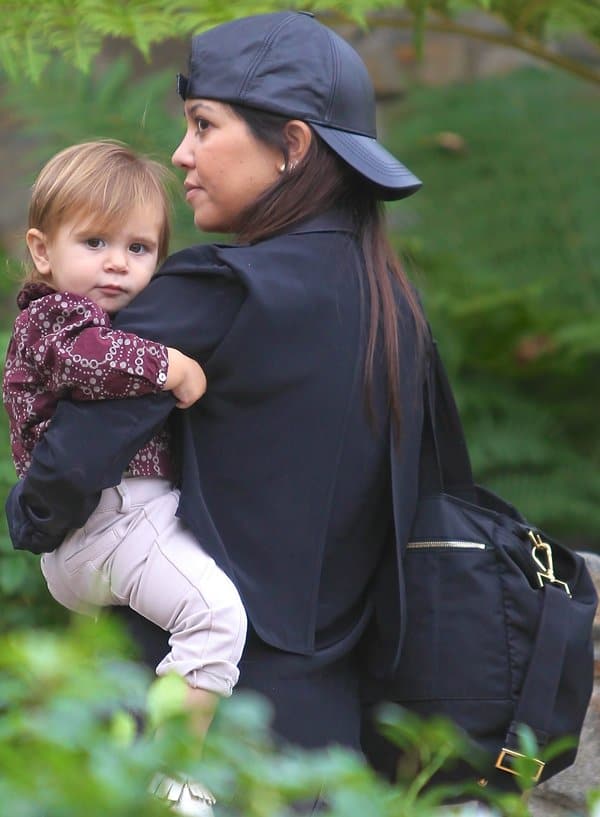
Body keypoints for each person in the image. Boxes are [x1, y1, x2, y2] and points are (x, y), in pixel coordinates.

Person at [6, 11, 429, 811]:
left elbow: (68, 463)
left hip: (194, 740)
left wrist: (28, 520)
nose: (181, 154)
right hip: (335, 748)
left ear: (293, 147)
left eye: (204, 125)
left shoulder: (219, 289)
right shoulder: (399, 311)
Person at [3, 140, 247, 816]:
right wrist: (172, 365)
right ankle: (175, 776)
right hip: (112, 524)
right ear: (43, 251)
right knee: (216, 617)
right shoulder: (52, 318)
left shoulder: (103, 314)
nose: (116, 261)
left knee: (143, 661)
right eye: (95, 240)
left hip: (101, 538)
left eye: (139, 248)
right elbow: (88, 359)